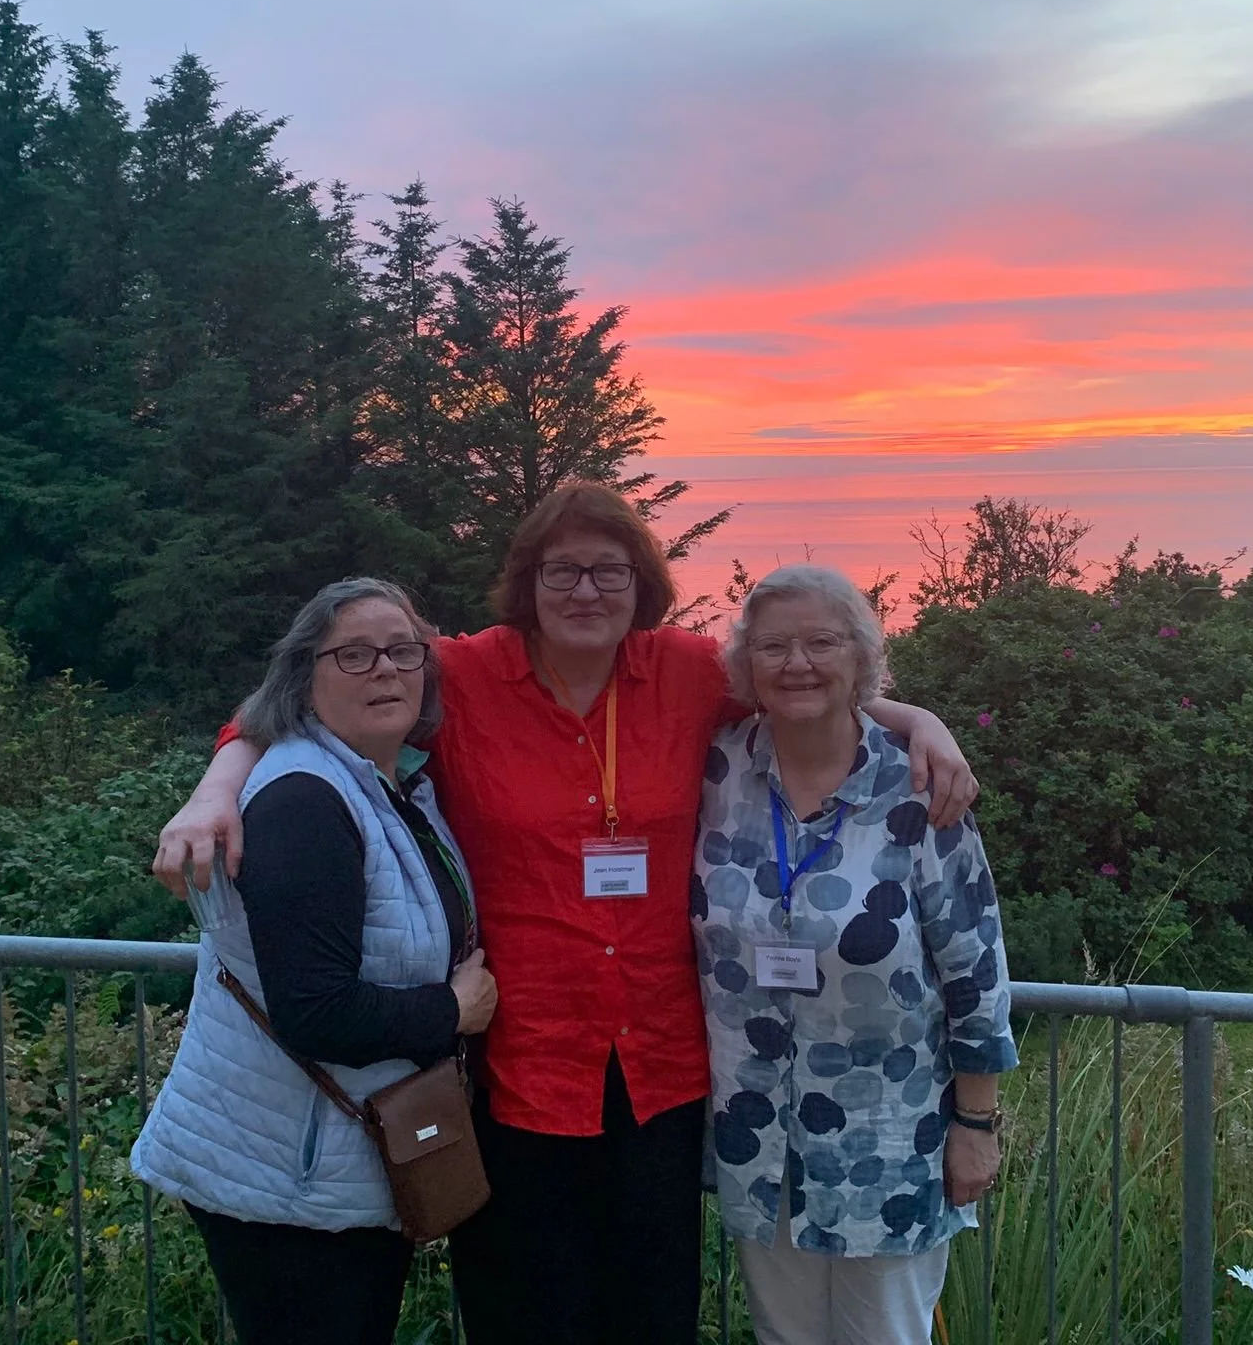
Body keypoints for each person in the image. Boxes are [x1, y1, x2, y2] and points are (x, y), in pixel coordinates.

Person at [152, 484, 978, 1345]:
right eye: (563, 571)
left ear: (643, 583)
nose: (586, 591)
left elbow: (806, 687)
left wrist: (919, 720)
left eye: (609, 570)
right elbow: (302, 701)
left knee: (651, 1316)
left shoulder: (688, 672)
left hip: (662, 1071)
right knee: (526, 1314)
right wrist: (214, 793)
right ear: (527, 582)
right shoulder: (462, 675)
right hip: (520, 1069)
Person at [131, 579, 497, 1345]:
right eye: (354, 655)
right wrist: (452, 1011)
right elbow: (316, 1011)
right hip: (283, 1176)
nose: (385, 671)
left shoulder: (388, 780)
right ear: (305, 678)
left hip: (331, 1161)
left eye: (402, 652)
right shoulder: (304, 798)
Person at [694, 564, 1017, 1345]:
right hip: (758, 1137)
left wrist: (977, 1122)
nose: (796, 662)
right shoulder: (717, 767)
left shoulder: (918, 785)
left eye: (821, 642)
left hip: (889, 1140)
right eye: (773, 645)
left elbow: (975, 968)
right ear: (745, 666)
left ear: (861, 660)